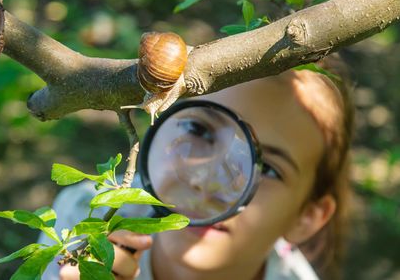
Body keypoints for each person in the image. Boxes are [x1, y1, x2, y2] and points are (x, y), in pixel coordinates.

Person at [40, 55, 354, 280]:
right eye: (199, 130)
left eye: (268, 167)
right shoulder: (85, 218)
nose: (207, 182)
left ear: (306, 217)